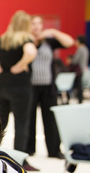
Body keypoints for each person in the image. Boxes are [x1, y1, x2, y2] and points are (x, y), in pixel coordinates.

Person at [0, 10, 37, 152]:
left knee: (0, 122)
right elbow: (31, 52)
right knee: (21, 122)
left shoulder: (3, 39)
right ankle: (20, 159)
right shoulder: (25, 39)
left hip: (2, 84)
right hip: (20, 86)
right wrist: (21, 65)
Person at [26, 15, 73, 158]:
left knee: (50, 118)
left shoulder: (49, 42)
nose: (36, 26)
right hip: (30, 86)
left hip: (48, 86)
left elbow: (69, 42)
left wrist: (53, 31)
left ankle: (54, 150)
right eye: (33, 23)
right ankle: (28, 149)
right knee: (29, 118)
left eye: (39, 23)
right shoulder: (25, 41)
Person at [70, 34, 90, 104]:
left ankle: (80, 100)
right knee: (80, 85)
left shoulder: (80, 49)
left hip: (79, 69)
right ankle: (80, 100)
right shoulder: (86, 49)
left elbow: (75, 60)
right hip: (83, 68)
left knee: (78, 86)